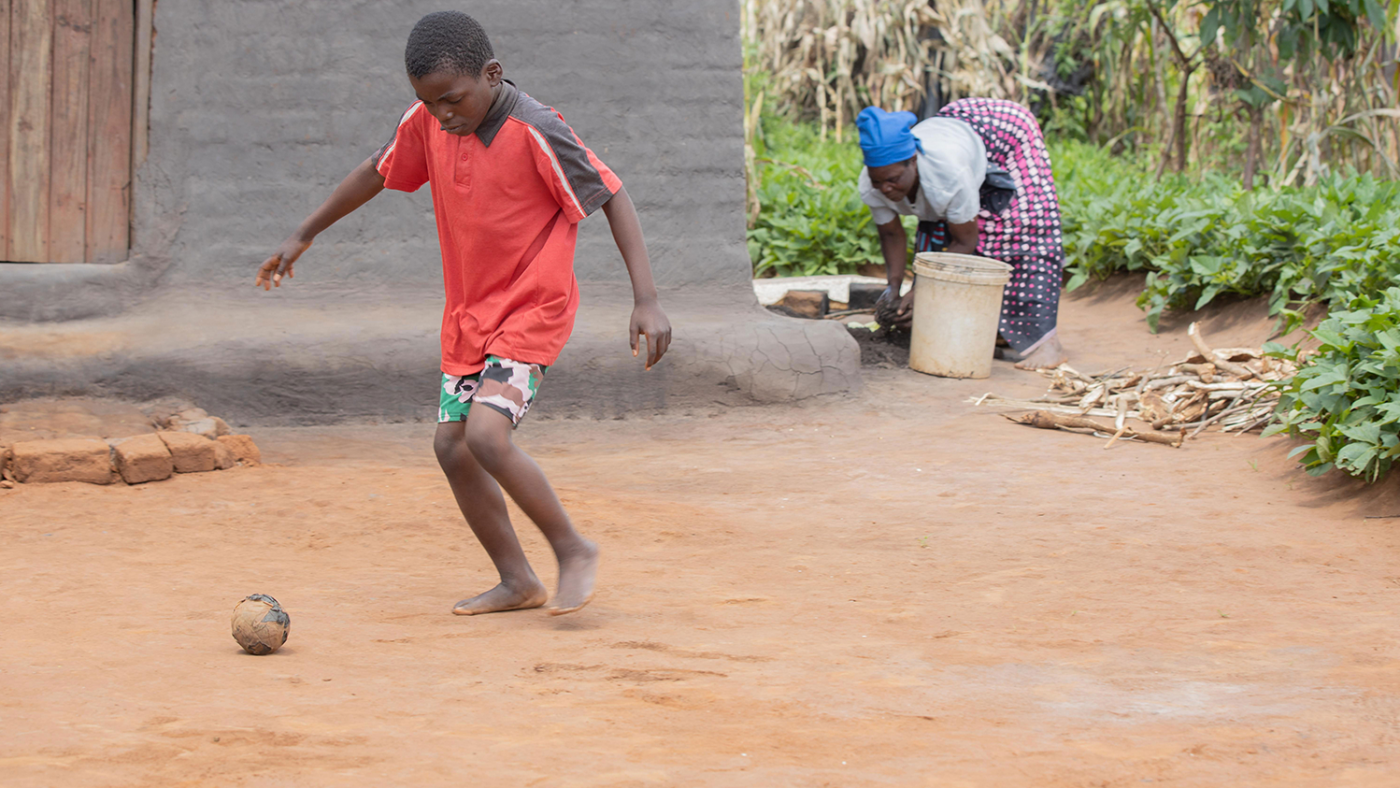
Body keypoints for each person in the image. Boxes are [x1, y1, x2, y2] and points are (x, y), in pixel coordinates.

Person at [255, 11, 671, 616]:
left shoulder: (537, 129)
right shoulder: (426, 121)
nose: (442, 115)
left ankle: (574, 549)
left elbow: (611, 194)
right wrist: (304, 233)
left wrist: (646, 298)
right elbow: (378, 170)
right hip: (470, 317)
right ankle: (518, 580)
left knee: (486, 434)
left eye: (452, 100)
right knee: (451, 446)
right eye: (428, 103)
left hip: (533, 307)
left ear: (492, 74)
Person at [856, 100, 1068, 370]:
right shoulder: (871, 183)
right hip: (958, 133)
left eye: (893, 179)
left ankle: (1049, 346)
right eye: (878, 181)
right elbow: (891, 236)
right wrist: (894, 288)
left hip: (1004, 132)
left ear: (913, 161)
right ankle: (986, 334)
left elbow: (966, 242)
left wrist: (920, 290)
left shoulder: (947, 175)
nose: (885, 188)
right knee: (933, 239)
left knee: (1018, 232)